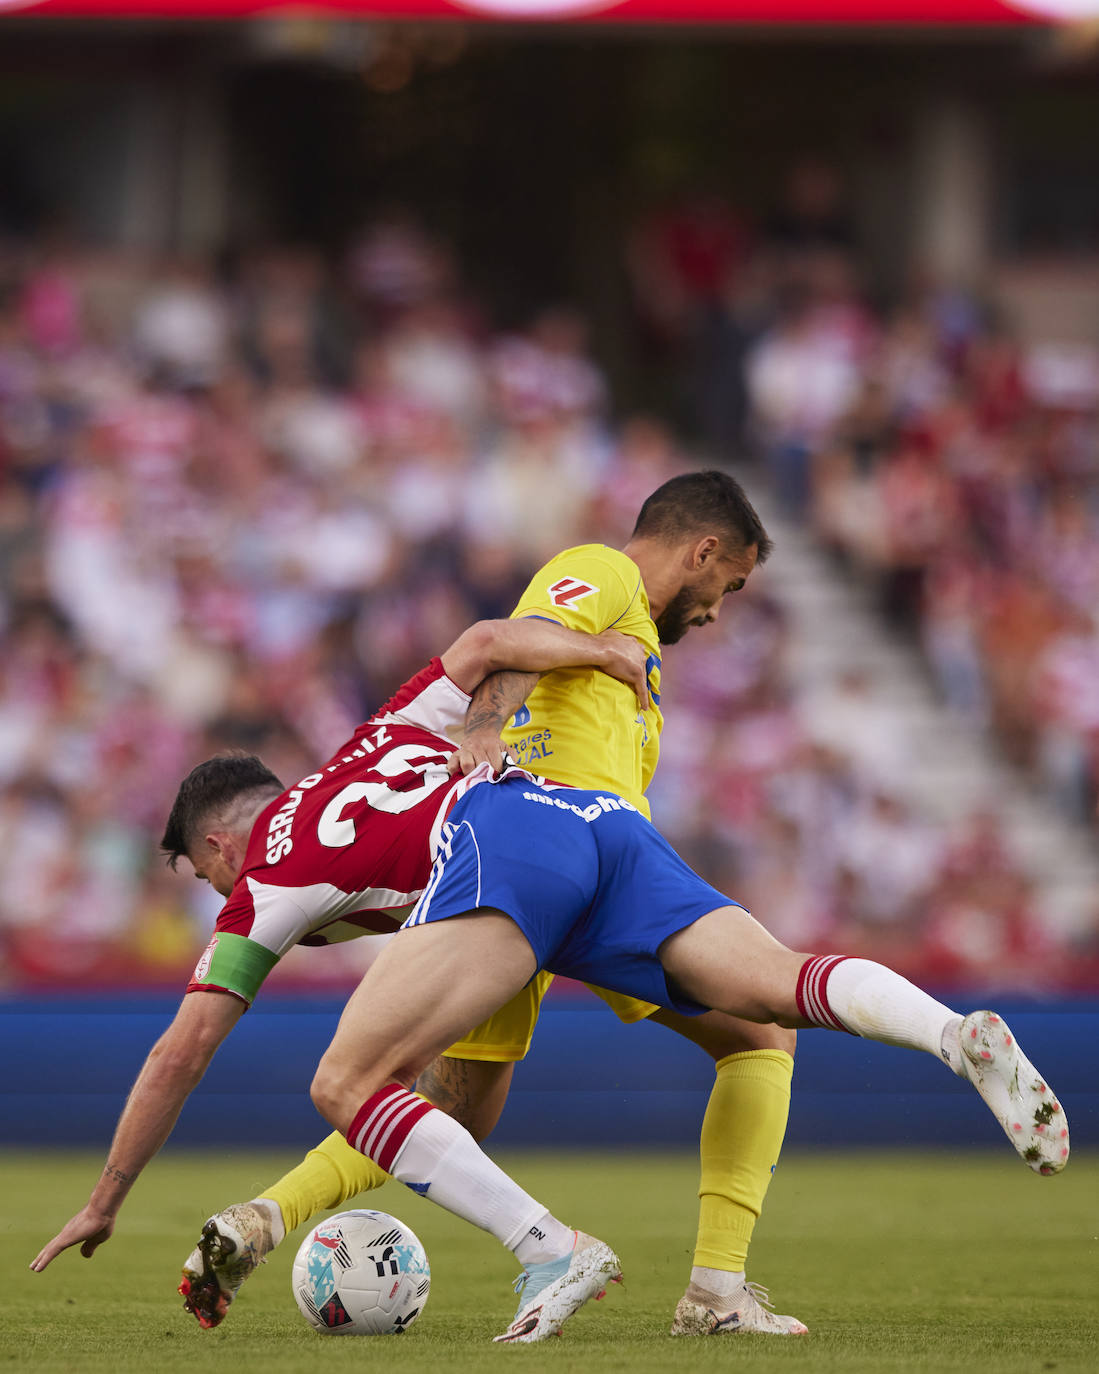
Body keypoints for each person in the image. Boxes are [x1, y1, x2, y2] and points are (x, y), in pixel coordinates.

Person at [31, 624, 1069, 1347]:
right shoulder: (377, 734)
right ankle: (950, 1035)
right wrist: (604, 651)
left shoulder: (264, 879)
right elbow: (486, 643)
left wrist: (107, 1197)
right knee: (770, 1003)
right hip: (589, 819)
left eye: (203, 870)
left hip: (501, 854)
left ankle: (548, 1249)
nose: (216, 889)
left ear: (219, 841)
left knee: (347, 1079)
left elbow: (182, 1048)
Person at [179, 469, 807, 1338]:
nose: (716, 610)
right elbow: (517, 639)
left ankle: (263, 1219)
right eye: (727, 584)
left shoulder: (635, 643)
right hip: (566, 864)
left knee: (446, 1103)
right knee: (761, 1037)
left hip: (531, 866)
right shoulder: (608, 571)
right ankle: (714, 1294)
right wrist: (483, 727)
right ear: (703, 549)